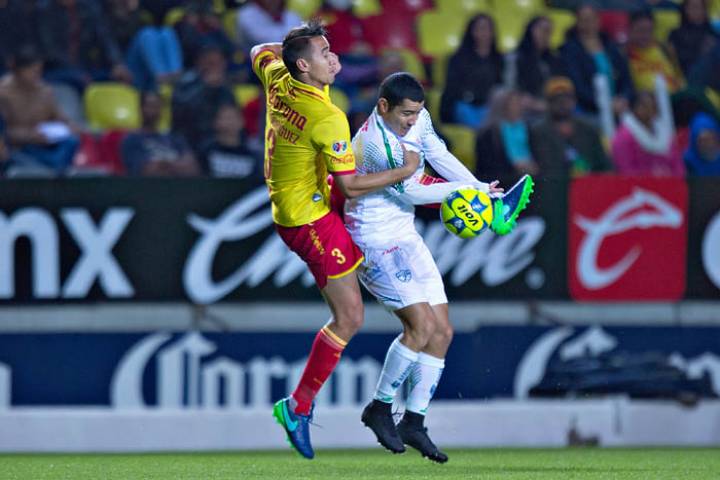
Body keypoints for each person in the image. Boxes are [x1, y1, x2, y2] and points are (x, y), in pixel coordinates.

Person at [250, 20, 420, 460]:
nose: (335, 57)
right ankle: (298, 406)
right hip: (309, 218)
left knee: (358, 279)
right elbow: (349, 187)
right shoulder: (328, 118)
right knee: (349, 317)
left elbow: (259, 50)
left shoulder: (278, 74)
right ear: (304, 66)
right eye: (324, 53)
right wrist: (403, 172)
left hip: (297, 204)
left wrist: (293, 47)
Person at [346, 72, 502, 463]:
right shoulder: (372, 144)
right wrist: (470, 192)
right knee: (421, 326)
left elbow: (439, 154)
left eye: (417, 113)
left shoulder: (417, 116)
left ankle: (413, 422)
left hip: (405, 234)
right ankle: (380, 407)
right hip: (373, 239)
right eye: (406, 115)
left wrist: (480, 187)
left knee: (442, 331)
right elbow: (413, 191)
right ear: (383, 106)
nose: (412, 121)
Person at [0, 46, 79, 175]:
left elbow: (59, 117)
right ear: (18, 71)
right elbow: (4, 132)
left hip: (46, 144)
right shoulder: (3, 93)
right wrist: (30, 136)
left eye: (39, 71)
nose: (37, 75)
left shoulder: (45, 91)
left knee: (71, 142)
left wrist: (70, 126)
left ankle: (57, 169)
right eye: (32, 71)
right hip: (19, 148)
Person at [559, 2, 634, 115]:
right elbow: (578, 86)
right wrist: (605, 104)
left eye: (592, 19)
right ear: (577, 22)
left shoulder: (610, 46)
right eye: (584, 20)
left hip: (619, 108)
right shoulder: (570, 50)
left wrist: (624, 98)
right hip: (588, 111)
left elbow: (626, 78)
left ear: (598, 20)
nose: (588, 24)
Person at [529, 76, 611, 176]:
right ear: (548, 103)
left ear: (574, 101)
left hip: (589, 183)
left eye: (566, 99)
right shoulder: (538, 132)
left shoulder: (589, 129)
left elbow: (604, 164)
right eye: (557, 100)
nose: (562, 104)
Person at [440, 14, 506, 127]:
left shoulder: (498, 59)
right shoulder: (458, 58)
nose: (485, 33)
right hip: (465, 105)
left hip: (489, 106)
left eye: (488, 29)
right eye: (481, 29)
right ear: (471, 32)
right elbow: (452, 89)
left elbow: (500, 85)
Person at [121, 90, 200, 176]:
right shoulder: (132, 139)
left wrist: (164, 165)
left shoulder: (174, 138)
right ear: (141, 109)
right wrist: (177, 166)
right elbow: (145, 171)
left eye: (157, 106)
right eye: (150, 106)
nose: (154, 110)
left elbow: (193, 169)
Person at [611, 90, 685, 176]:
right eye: (645, 106)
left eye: (653, 105)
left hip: (671, 182)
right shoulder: (623, 138)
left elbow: (677, 165)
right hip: (640, 183)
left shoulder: (665, 133)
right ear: (634, 108)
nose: (650, 109)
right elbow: (627, 170)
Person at [475, 87, 539, 177]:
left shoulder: (529, 128)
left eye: (518, 102)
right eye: (513, 103)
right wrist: (514, 166)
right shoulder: (489, 134)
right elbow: (488, 164)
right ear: (502, 106)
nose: (518, 106)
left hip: (531, 173)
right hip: (504, 177)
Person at [625, 9, 684, 93]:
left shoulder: (664, 49)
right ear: (630, 30)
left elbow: (679, 79)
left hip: (674, 96)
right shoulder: (623, 53)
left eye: (649, 30)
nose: (645, 35)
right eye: (641, 30)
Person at [198, 103, 262, 177]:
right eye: (224, 118)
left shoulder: (253, 156)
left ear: (242, 122)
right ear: (215, 122)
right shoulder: (206, 151)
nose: (229, 122)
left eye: (232, 118)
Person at [669, 0, 718, 78]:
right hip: (687, 74)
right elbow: (676, 59)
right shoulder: (676, 35)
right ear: (685, 9)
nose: (696, 10)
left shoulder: (713, 33)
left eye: (700, 7)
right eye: (693, 7)